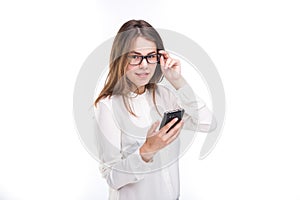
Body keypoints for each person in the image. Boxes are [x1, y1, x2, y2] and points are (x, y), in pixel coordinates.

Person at [93, 19, 216, 200]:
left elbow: (207, 123)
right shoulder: (108, 106)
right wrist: (146, 150)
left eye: (151, 56)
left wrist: (177, 81)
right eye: (134, 57)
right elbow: (112, 178)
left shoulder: (165, 96)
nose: (144, 65)